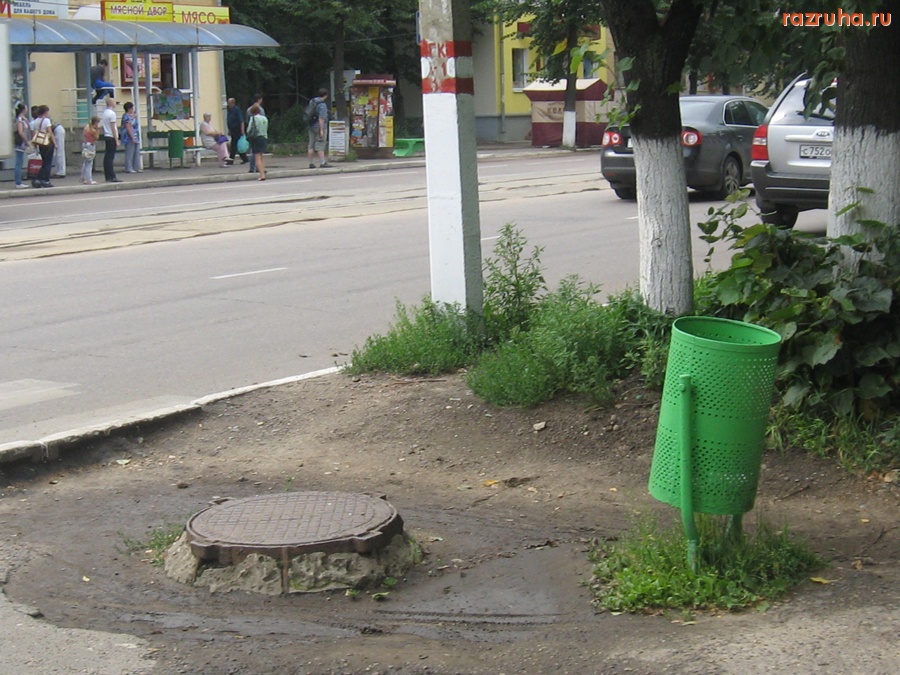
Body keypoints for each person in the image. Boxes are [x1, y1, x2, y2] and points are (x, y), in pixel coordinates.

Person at [30, 105, 56, 188]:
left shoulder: (35, 121)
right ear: (45, 112)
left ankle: (38, 180)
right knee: (47, 162)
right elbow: (50, 132)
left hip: (40, 143)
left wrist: (35, 145)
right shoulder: (46, 121)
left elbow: (34, 134)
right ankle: (45, 180)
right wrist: (55, 143)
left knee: (44, 162)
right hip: (47, 142)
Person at [306, 88, 331, 169]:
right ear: (326, 95)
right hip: (319, 126)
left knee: (311, 144)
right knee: (320, 144)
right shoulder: (322, 105)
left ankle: (310, 163)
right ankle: (322, 162)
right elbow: (321, 118)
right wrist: (321, 130)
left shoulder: (312, 101)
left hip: (311, 125)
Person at [100, 97, 122, 183]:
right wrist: (117, 139)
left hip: (107, 135)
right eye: (114, 102)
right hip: (111, 136)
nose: (115, 104)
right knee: (110, 157)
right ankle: (112, 176)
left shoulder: (105, 113)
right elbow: (113, 127)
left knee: (107, 156)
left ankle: (108, 175)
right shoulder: (112, 114)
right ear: (111, 103)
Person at [246, 103, 268, 181]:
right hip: (264, 137)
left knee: (257, 157)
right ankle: (263, 170)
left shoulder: (253, 119)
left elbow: (249, 130)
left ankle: (261, 174)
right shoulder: (264, 118)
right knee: (261, 156)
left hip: (256, 138)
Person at [245, 93, 264, 173]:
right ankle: (257, 167)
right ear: (260, 99)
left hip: (251, 133)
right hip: (260, 133)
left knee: (253, 150)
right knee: (258, 152)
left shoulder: (249, 110)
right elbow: (263, 121)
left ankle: (253, 167)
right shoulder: (261, 110)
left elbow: (247, 121)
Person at [13, 103, 31, 188]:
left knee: (20, 161)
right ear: (23, 109)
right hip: (20, 143)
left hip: (22, 143)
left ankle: (19, 182)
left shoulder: (23, 119)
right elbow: (20, 131)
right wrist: (26, 140)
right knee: (19, 162)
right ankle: (18, 182)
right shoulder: (19, 119)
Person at [120, 102, 141, 173]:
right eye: (131, 108)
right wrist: (132, 137)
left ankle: (136, 167)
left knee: (136, 152)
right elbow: (128, 127)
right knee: (130, 152)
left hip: (135, 135)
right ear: (128, 109)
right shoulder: (126, 116)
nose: (132, 109)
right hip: (129, 137)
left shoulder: (132, 116)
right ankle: (129, 168)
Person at [226, 98, 247, 164]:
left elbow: (241, 120)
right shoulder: (230, 110)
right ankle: (244, 158)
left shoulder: (236, 110)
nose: (228, 104)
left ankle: (231, 159)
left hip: (237, 129)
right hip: (232, 129)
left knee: (235, 144)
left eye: (229, 103)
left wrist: (242, 130)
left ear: (232, 103)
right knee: (235, 144)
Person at [81, 116, 101, 185]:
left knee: (85, 162)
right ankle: (89, 179)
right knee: (89, 163)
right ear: (95, 122)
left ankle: (84, 178)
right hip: (90, 146)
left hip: (85, 144)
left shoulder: (86, 127)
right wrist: (98, 129)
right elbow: (97, 137)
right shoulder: (93, 130)